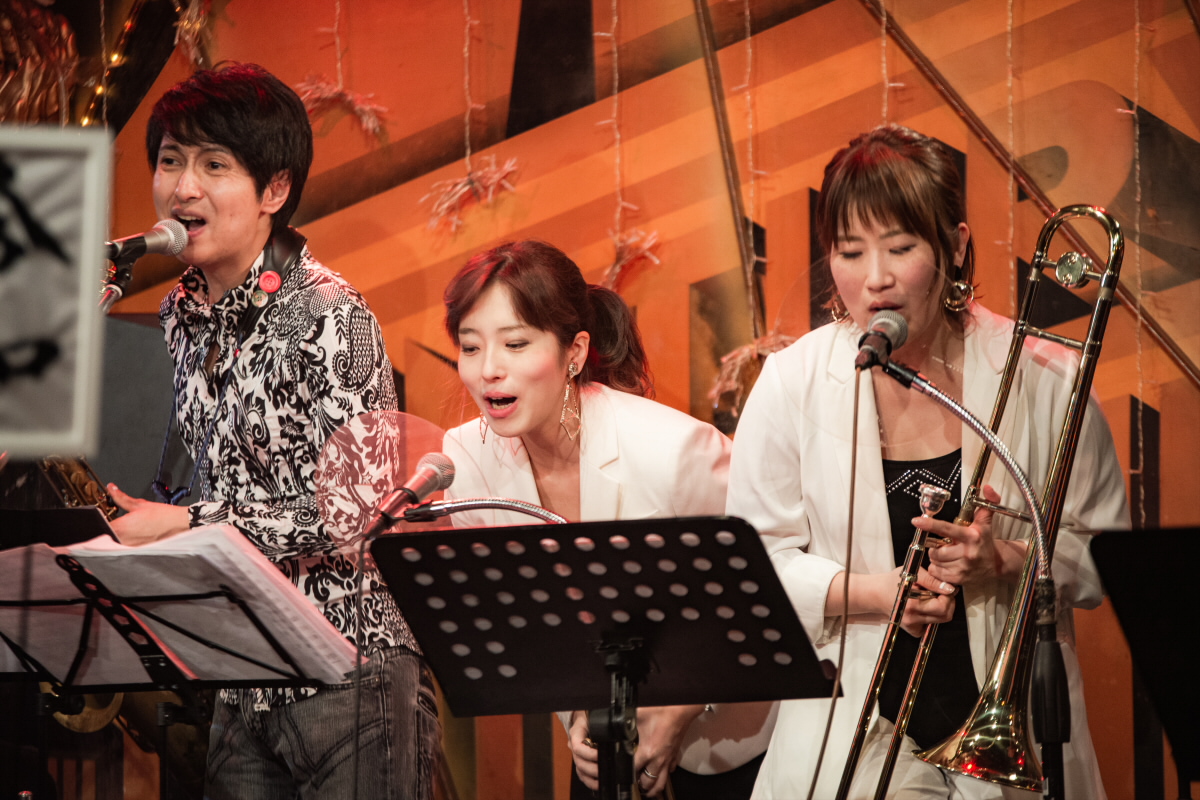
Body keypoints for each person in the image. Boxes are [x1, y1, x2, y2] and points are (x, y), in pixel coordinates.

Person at [725, 124, 1128, 799]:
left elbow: (1101, 556)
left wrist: (1005, 559)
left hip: (1011, 742)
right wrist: (877, 594)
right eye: (849, 252)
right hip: (850, 741)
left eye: (901, 246)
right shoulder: (793, 382)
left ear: (955, 246)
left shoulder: (1047, 378)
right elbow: (755, 565)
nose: (875, 278)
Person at [104, 63, 442, 799]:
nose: (183, 188)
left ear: (275, 190)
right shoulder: (181, 314)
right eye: (171, 161)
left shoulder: (329, 312)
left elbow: (362, 511)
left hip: (351, 670)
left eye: (214, 165)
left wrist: (189, 522)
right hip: (243, 668)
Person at [441, 239, 777, 799]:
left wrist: (679, 710)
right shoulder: (467, 462)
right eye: (470, 347)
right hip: (605, 736)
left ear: (574, 352)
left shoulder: (675, 451)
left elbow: (769, 590)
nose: (488, 371)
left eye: (516, 344)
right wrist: (578, 712)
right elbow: (533, 627)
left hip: (731, 741)